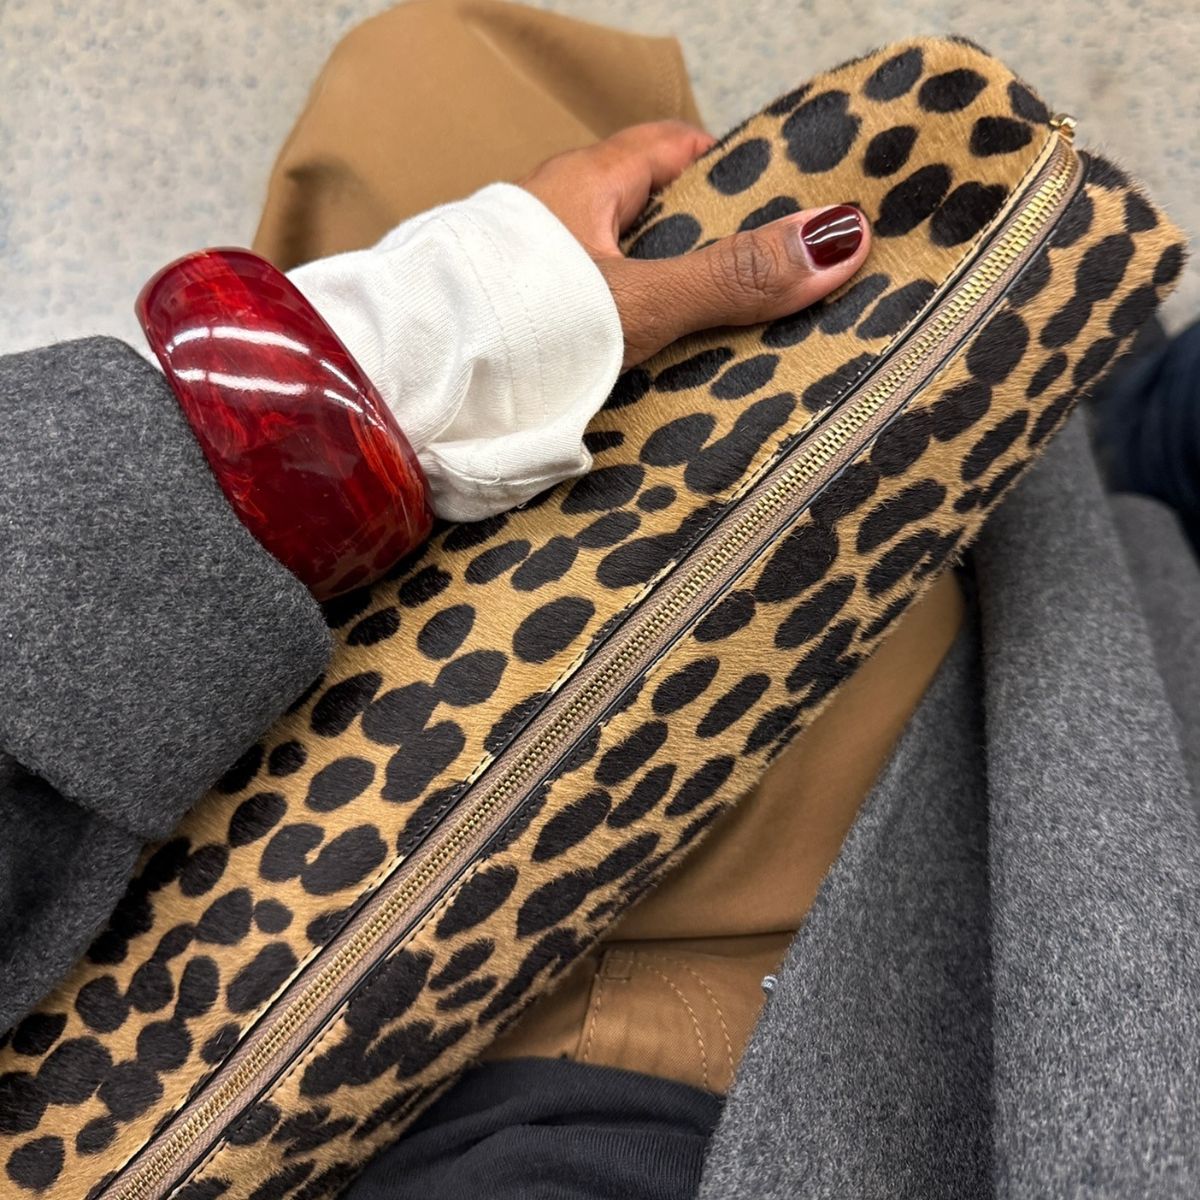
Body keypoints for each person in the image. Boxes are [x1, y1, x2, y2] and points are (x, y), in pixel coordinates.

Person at [2, 3, 1198, 1199]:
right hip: (886, 985)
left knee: (432, 77)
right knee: (433, 84)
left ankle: (1086, 409)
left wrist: (425, 352)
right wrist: (427, 339)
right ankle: (1089, 415)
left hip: (233, 877)